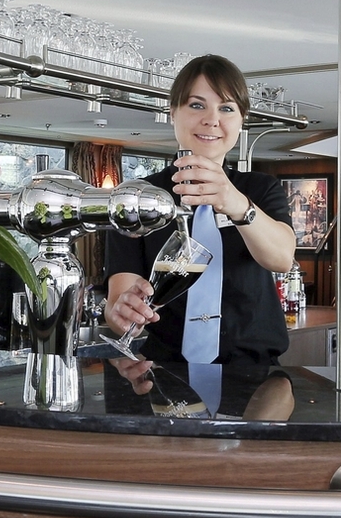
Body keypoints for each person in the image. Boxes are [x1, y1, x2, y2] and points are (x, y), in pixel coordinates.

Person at [105, 54, 298, 365]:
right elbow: (120, 297)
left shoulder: (261, 189)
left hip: (254, 373)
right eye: (197, 105)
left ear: (241, 120)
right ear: (172, 113)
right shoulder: (138, 197)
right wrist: (124, 313)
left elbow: (281, 259)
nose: (211, 119)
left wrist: (235, 203)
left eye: (227, 108)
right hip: (165, 370)